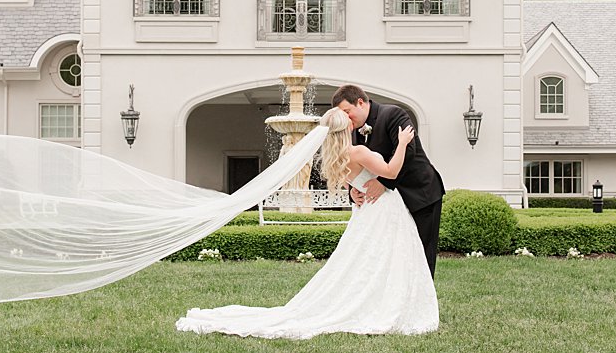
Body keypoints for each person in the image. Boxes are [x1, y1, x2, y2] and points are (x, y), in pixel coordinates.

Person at [175, 108, 439, 338]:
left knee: (370, 261)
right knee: (387, 259)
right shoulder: (357, 151)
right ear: (346, 127)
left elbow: (353, 183)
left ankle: (377, 301)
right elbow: (391, 172)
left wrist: (355, 190)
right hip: (383, 210)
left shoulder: (336, 159)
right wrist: (403, 143)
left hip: (366, 213)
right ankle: (388, 304)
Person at [332, 84, 445, 276]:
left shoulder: (393, 114)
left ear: (360, 102)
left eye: (347, 111)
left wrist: (383, 183)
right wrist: (353, 190)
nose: (346, 118)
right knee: (394, 256)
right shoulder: (351, 129)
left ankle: (422, 301)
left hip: (419, 194)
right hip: (388, 206)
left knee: (421, 253)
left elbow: (408, 151)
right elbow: (353, 164)